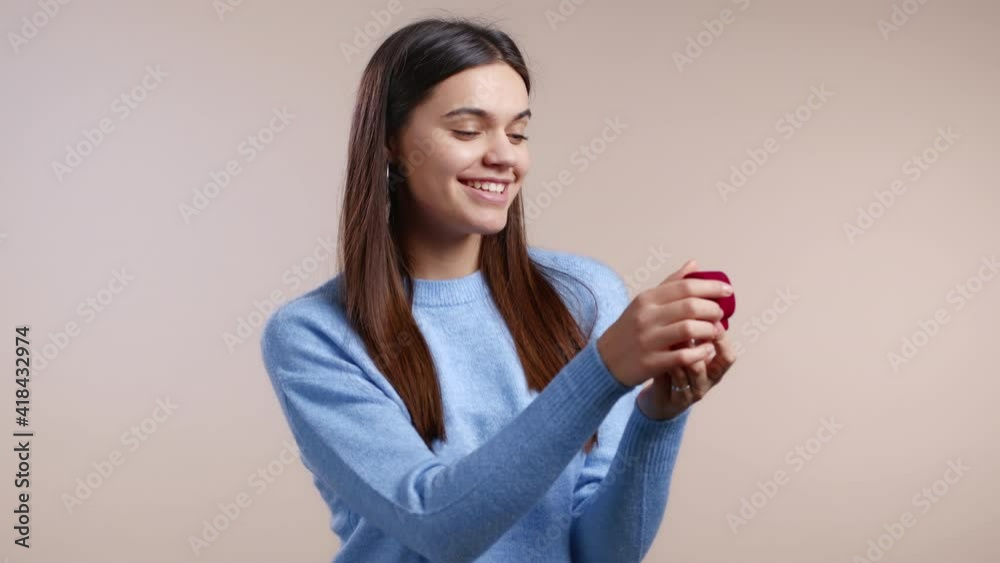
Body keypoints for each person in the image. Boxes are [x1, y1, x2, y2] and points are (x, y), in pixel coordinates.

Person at [260, 15, 736, 563]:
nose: (504, 156)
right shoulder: (312, 335)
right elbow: (439, 526)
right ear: (391, 143)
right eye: (467, 130)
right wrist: (602, 370)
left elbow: (603, 554)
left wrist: (659, 415)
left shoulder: (585, 295)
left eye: (517, 132)